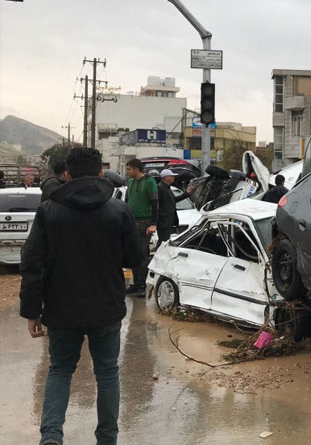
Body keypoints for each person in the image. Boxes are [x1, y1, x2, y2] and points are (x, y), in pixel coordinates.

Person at [19, 147, 143, 445]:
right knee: (107, 372)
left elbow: (32, 263)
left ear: (67, 175)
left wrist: (32, 310)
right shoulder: (118, 210)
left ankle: (51, 438)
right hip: (107, 306)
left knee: (60, 370)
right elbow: (135, 257)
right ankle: (107, 439)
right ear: (101, 172)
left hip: (61, 308)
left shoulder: (48, 210)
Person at [124, 158, 158, 298]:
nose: (127, 172)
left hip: (144, 222)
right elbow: (126, 202)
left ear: (136, 169)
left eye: (129, 169)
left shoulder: (150, 182)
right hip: (131, 221)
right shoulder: (130, 182)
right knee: (132, 253)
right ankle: (135, 284)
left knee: (142, 254)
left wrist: (153, 223)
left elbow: (155, 203)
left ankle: (142, 285)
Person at [156, 169, 193, 246]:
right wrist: (160, 218)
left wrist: (187, 193)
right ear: (166, 177)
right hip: (163, 222)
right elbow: (156, 205)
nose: (174, 178)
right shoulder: (160, 188)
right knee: (163, 242)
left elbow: (173, 200)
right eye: (172, 176)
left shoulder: (167, 187)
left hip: (168, 221)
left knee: (165, 241)